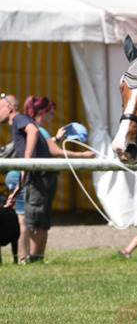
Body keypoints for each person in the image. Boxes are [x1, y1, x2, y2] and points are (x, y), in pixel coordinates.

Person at [0, 93, 95, 262]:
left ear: (8, 107)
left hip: (35, 175)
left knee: (31, 220)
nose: (53, 116)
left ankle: (28, 258)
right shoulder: (25, 122)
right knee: (35, 221)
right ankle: (32, 258)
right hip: (35, 175)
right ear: (41, 112)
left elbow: (36, 134)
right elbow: (49, 147)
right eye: (51, 113)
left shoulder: (21, 120)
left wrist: (27, 159)